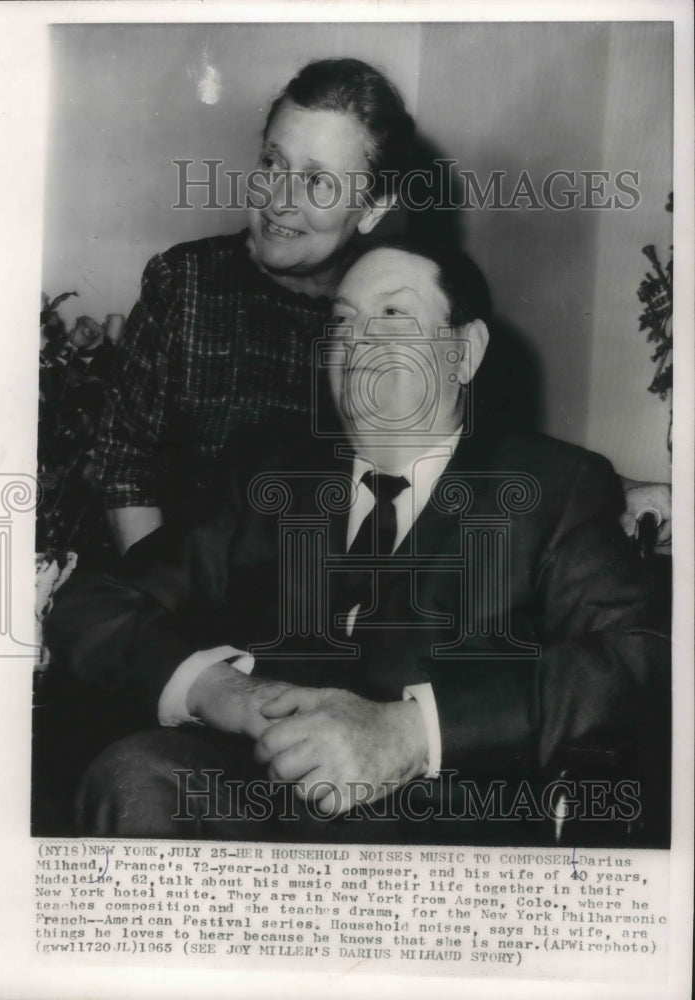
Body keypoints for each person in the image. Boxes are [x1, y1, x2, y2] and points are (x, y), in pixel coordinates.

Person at [46, 239, 669, 845]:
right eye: (342, 322)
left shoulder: (553, 486)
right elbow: (95, 605)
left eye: (393, 315)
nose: (358, 341)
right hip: (259, 804)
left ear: (464, 352)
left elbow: (639, 656)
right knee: (138, 772)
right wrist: (219, 690)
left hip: (439, 831)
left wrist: (411, 732)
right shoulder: (271, 474)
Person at [96, 58, 414, 553]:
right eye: (273, 163)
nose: (279, 200)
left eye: (319, 182)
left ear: (373, 208)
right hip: (175, 592)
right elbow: (126, 470)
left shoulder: (396, 322)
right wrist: (170, 611)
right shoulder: (185, 284)